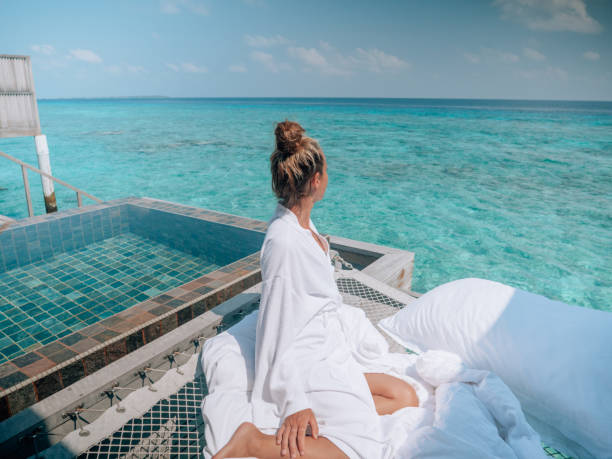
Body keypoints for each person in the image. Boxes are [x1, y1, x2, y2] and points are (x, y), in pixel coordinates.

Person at [213, 121, 418, 459]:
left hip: (329, 351)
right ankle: (252, 441)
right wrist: (294, 401)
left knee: (406, 397)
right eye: (326, 171)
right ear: (316, 180)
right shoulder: (284, 242)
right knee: (359, 450)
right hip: (303, 362)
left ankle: (336, 417)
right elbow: (277, 328)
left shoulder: (305, 228)